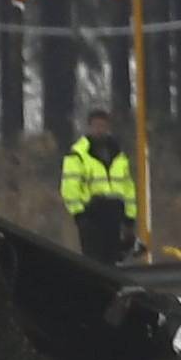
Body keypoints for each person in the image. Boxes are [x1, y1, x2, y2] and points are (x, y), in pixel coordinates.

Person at [61, 108, 136, 265]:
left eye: (103, 126)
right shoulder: (78, 154)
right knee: (94, 262)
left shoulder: (118, 154)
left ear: (108, 127)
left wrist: (129, 218)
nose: (99, 130)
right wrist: (79, 215)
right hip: (91, 216)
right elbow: (70, 187)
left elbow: (128, 188)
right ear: (89, 127)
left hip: (114, 215)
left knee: (113, 262)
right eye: (96, 126)